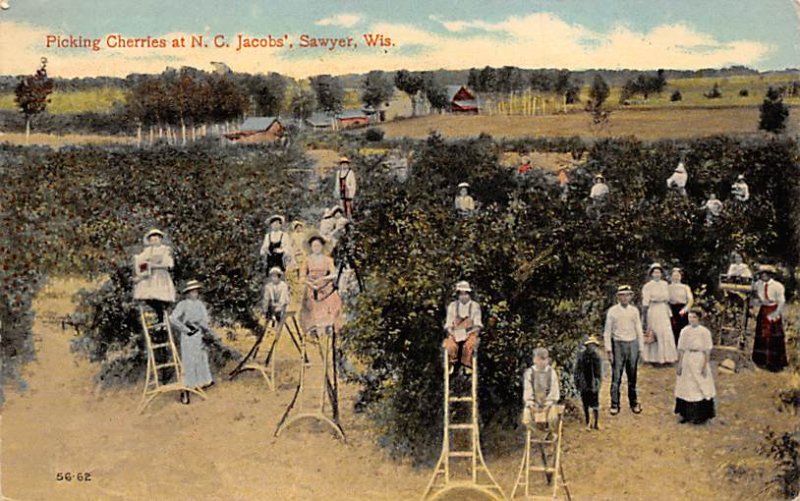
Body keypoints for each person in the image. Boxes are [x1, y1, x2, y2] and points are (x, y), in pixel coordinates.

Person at [170, 280, 216, 405]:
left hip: (198, 335)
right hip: (188, 337)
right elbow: (173, 318)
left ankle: (200, 384)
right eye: (192, 291)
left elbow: (205, 320)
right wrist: (185, 329)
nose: (194, 293)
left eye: (196, 291)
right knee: (188, 362)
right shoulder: (183, 304)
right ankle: (185, 391)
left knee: (200, 359)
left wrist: (208, 331)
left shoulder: (200, 305)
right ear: (187, 293)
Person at [603, 285, 645, 415]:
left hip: (632, 344)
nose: (625, 298)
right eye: (622, 295)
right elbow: (607, 332)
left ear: (631, 296)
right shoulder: (612, 311)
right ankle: (615, 404)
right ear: (618, 297)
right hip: (618, 345)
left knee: (632, 376)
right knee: (616, 377)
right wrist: (609, 350)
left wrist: (641, 348)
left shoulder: (634, 311)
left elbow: (638, 329)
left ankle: (634, 403)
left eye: (627, 295)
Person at [674, 309, 716, 424]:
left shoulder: (704, 332)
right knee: (686, 386)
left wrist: (704, 366)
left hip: (699, 358)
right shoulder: (685, 331)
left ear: (699, 319)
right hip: (687, 359)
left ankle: (700, 416)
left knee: (700, 384)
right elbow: (681, 349)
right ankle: (686, 414)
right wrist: (680, 365)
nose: (691, 319)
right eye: (690, 317)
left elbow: (707, 351)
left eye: (694, 317)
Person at [300, 234, 342, 337]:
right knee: (310, 302)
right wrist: (310, 284)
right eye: (314, 246)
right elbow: (302, 277)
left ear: (322, 247)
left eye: (318, 246)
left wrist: (323, 279)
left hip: (325, 286)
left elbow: (334, 274)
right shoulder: (307, 260)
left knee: (334, 299)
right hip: (312, 286)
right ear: (311, 247)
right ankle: (313, 328)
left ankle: (329, 325)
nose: (316, 248)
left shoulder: (328, 260)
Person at [133, 228, 176, 323]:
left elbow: (168, 264)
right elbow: (141, 264)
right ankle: (159, 313)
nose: (154, 240)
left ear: (160, 239)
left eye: (156, 238)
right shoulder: (147, 251)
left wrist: (154, 265)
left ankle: (163, 315)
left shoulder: (165, 249)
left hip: (160, 276)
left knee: (161, 296)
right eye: (152, 238)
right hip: (149, 277)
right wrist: (141, 263)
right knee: (147, 296)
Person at [752, 265, 788, 372]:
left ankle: (774, 364)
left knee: (773, 336)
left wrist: (776, 313)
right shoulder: (758, 284)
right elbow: (750, 290)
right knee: (761, 335)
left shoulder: (777, 286)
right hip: (763, 309)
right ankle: (761, 361)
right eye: (762, 274)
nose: (763, 275)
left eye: (766, 273)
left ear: (770, 275)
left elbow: (781, 301)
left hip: (774, 309)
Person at [641, 263, 679, 365]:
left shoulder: (665, 284)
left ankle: (667, 358)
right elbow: (645, 302)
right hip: (653, 309)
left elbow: (668, 298)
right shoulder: (648, 286)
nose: (657, 274)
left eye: (659, 272)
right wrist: (644, 316)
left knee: (665, 331)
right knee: (655, 331)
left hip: (663, 309)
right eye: (655, 272)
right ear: (651, 274)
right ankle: (654, 359)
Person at [442, 281, 482, 375]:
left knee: (469, 345)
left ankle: (467, 365)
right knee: (449, 345)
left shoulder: (475, 306)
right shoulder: (452, 306)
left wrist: (467, 333)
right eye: (460, 293)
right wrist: (453, 333)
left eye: (465, 293)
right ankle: (452, 364)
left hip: (470, 333)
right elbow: (448, 325)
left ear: (469, 294)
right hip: (455, 333)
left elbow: (477, 325)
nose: (463, 296)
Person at [522, 347, 561, 429]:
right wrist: (531, 403)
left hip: (548, 404)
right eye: (539, 359)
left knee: (552, 418)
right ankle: (536, 435)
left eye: (543, 359)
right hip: (534, 403)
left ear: (547, 360)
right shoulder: (530, 373)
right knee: (526, 419)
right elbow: (528, 390)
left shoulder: (551, 373)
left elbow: (554, 391)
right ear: (534, 360)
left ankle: (550, 434)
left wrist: (548, 404)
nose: (541, 362)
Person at [574, 336, 603, 430]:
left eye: (593, 345)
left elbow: (599, 372)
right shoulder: (582, 356)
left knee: (595, 404)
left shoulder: (597, 357)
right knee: (585, 404)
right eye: (589, 345)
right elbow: (577, 370)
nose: (591, 347)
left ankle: (596, 423)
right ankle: (587, 423)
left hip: (593, 383)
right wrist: (577, 382)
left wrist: (598, 383)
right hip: (584, 383)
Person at [668, 268, 694, 346]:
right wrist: (669, 312)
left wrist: (685, 310)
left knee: (683, 331)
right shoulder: (668, 287)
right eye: (674, 275)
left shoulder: (685, 287)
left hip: (682, 310)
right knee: (672, 330)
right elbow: (665, 300)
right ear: (671, 276)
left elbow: (690, 300)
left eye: (678, 275)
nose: (676, 277)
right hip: (671, 309)